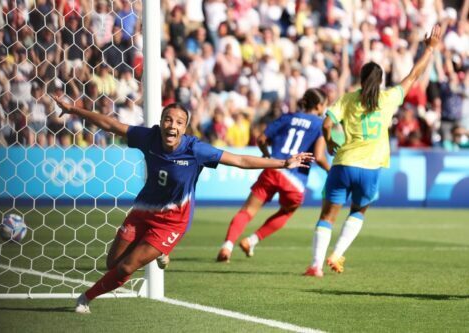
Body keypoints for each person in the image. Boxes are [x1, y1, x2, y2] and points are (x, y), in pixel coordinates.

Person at [52, 99, 314, 313]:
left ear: (185, 128)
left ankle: (85, 299)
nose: (172, 126)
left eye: (179, 122)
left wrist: (283, 162)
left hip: (172, 223)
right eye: (168, 119)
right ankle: (160, 253)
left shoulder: (195, 150)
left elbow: (241, 161)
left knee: (126, 268)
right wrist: (74, 110)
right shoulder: (149, 137)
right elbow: (111, 125)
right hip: (142, 212)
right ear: (161, 122)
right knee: (112, 264)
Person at [303, 26, 441, 277]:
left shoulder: (347, 99)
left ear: (361, 76)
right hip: (370, 168)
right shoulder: (388, 98)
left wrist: (329, 140)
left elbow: (326, 123)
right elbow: (413, 75)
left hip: (343, 163)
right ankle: (338, 253)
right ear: (381, 81)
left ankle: (315, 265)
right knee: (358, 211)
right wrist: (429, 48)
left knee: (327, 215)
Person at [216, 88, 331, 262]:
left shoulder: (288, 117)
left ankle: (227, 246)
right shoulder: (319, 125)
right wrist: (332, 171)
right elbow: (320, 156)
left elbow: (261, 139)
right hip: (296, 180)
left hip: (274, 168)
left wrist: (266, 155)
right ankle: (251, 240)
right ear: (320, 105)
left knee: (248, 211)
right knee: (286, 212)